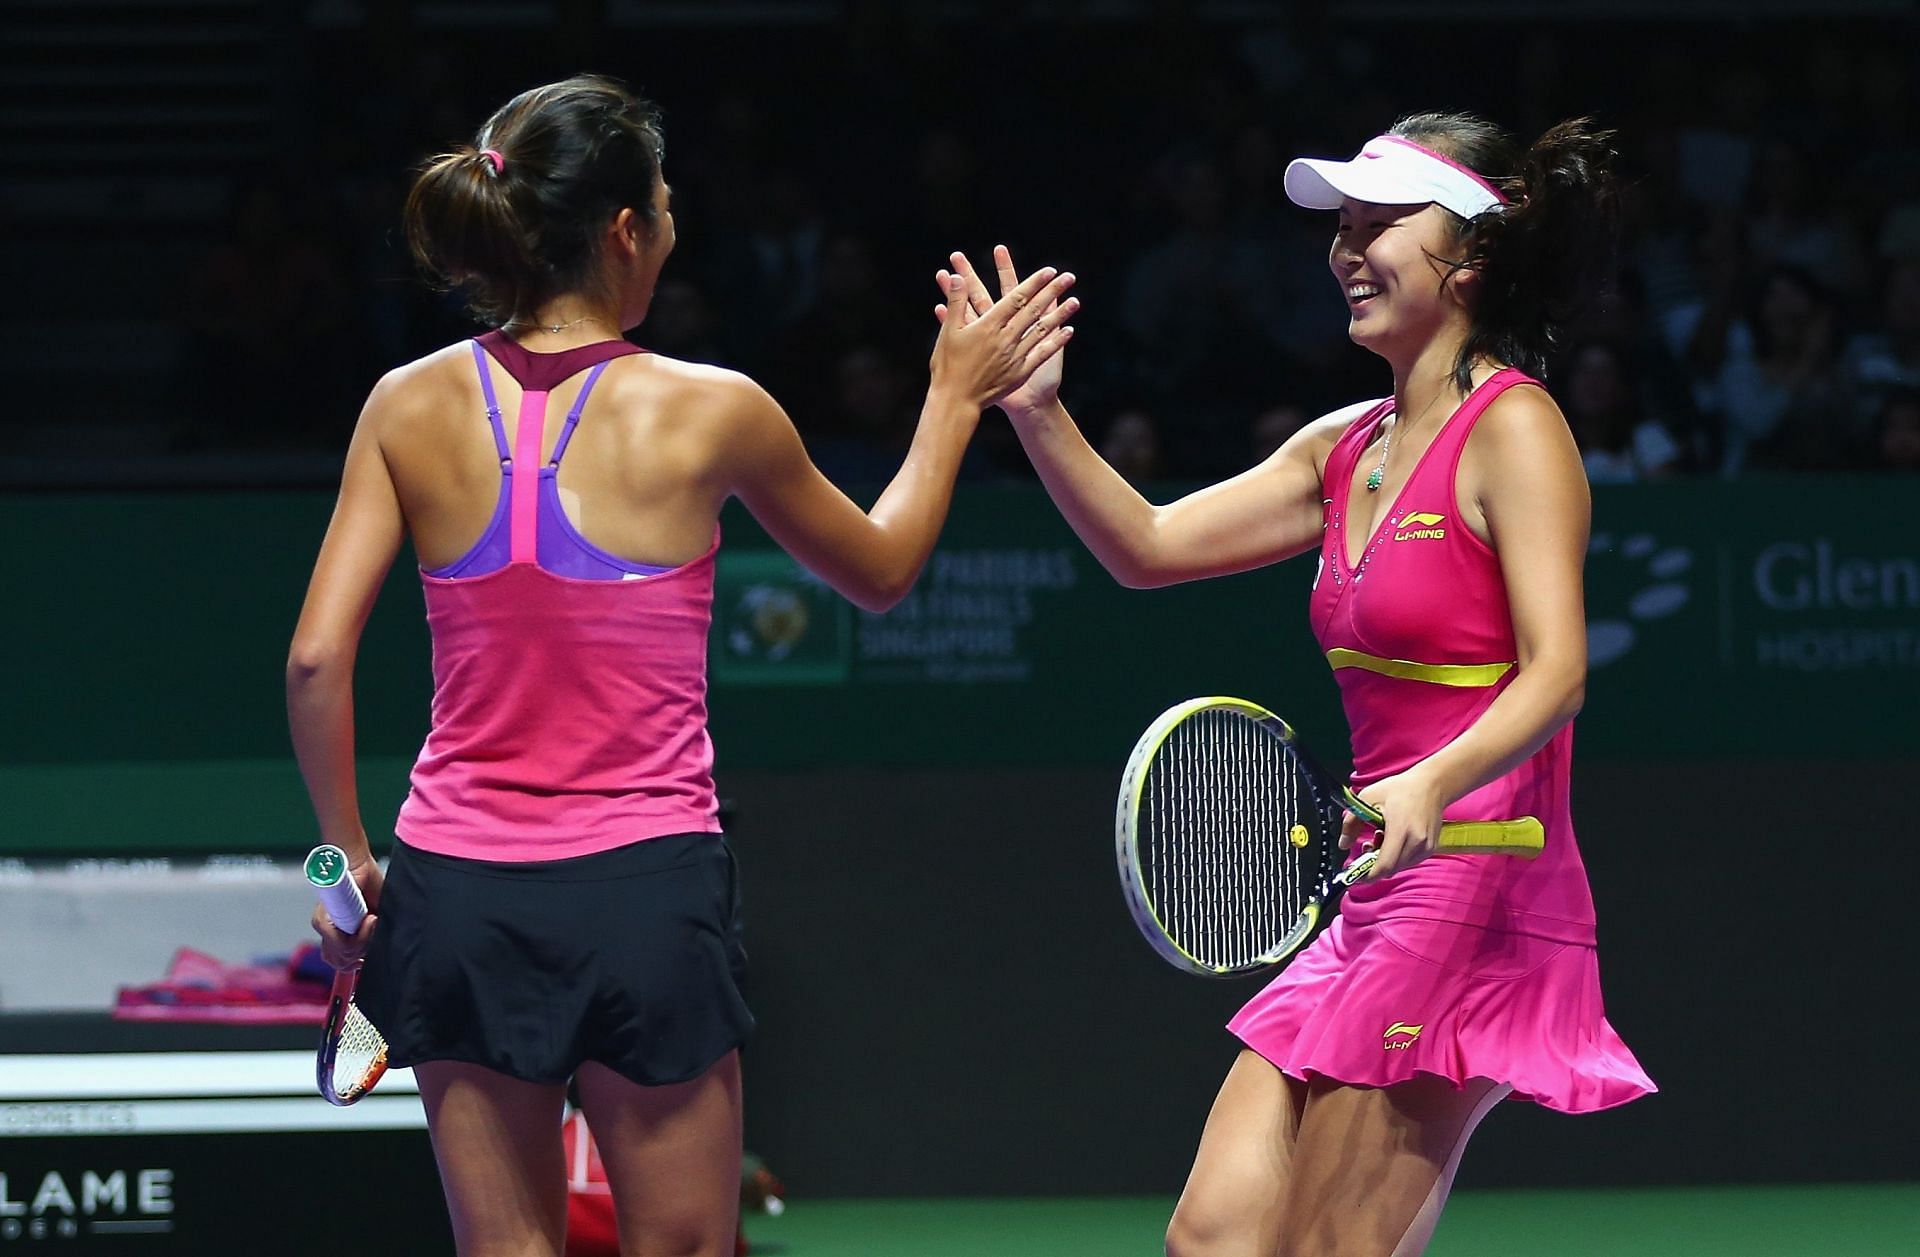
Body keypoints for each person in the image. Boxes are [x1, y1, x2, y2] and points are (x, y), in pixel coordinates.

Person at [286, 75, 1076, 1257]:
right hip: (643, 894)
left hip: (456, 895)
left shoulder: (404, 404)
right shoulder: (714, 411)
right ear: (622, 233)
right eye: (663, 201)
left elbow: (313, 661)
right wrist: (953, 395)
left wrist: (347, 864)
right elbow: (882, 568)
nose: (669, 220)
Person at [941, 113, 1653, 1256]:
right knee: (1214, 1238)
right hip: (1375, 883)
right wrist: (1037, 412)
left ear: (1470, 258)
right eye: (1343, 225)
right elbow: (1149, 547)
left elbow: (1558, 671)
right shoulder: (1344, 448)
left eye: (1383, 224)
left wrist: (1430, 784)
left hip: (1479, 884)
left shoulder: (1515, 428)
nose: (1347, 248)